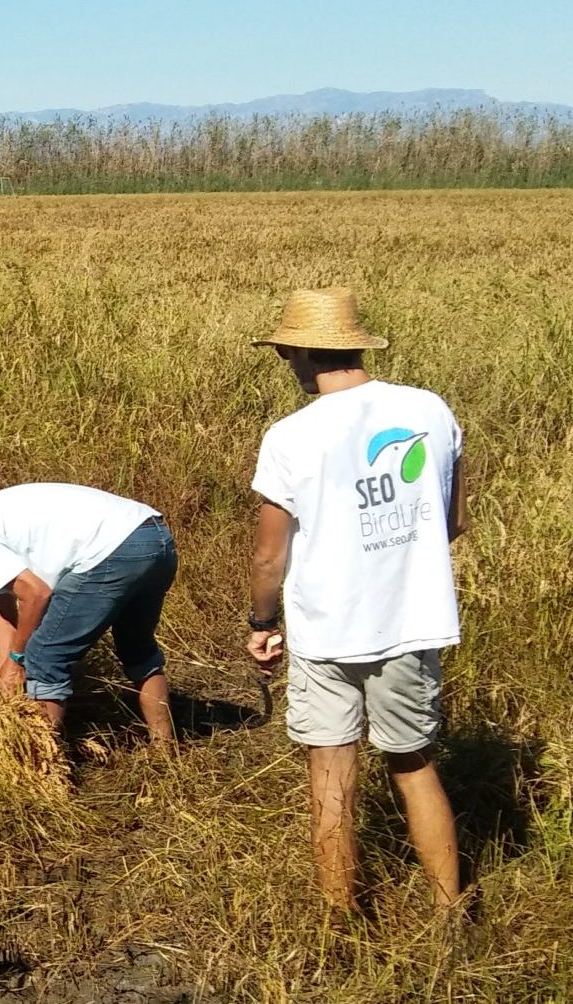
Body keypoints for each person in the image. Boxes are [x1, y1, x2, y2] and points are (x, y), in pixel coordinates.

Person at [245, 287, 466, 914]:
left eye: (286, 353)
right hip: (411, 619)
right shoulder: (430, 409)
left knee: (331, 774)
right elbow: (451, 522)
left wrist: (262, 622)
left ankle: (339, 924)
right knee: (414, 762)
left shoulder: (290, 435)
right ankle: (451, 913)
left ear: (300, 352)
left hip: (325, 629)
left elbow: (268, 555)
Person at [0, 484, 177, 745]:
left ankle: (40, 768)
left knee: (44, 655)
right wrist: (1, 683)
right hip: (153, 536)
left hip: (114, 551)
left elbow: (37, 594)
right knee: (137, 649)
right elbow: (5, 610)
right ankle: (165, 752)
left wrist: (18, 660)